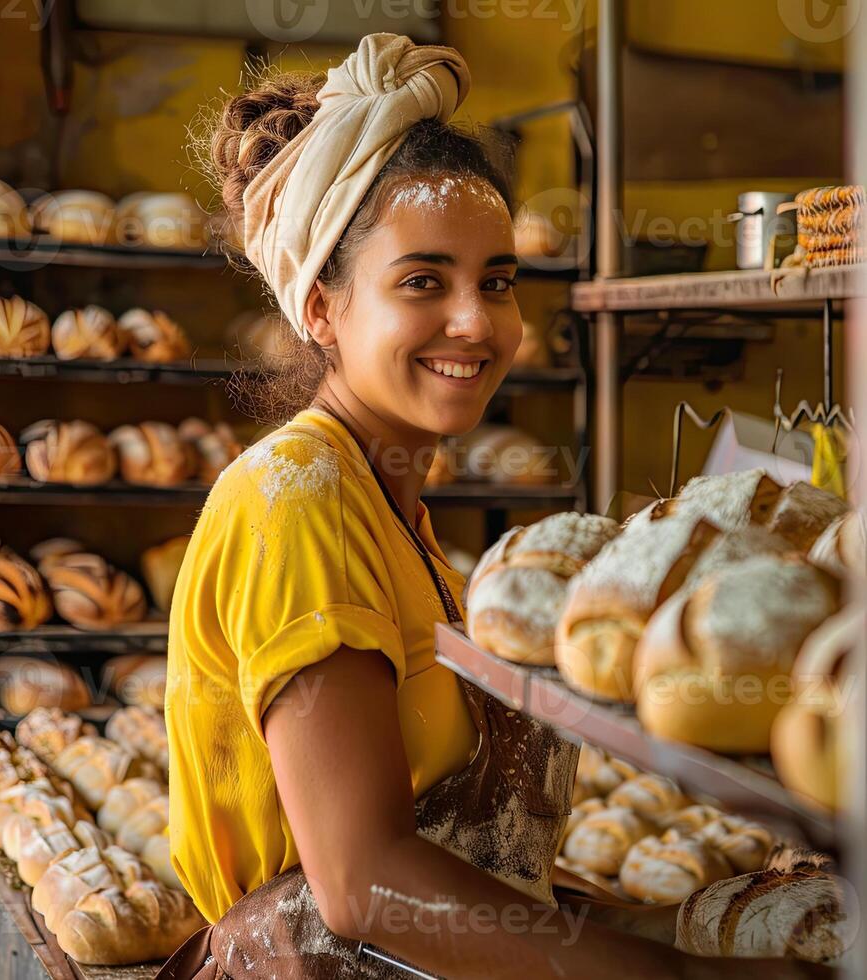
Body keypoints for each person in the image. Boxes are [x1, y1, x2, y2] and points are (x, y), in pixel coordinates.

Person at [162, 33, 830, 980]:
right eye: (423, 282)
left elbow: (467, 859)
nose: (476, 322)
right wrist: (676, 976)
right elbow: (363, 885)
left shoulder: (387, 498)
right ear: (322, 307)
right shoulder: (296, 499)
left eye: (499, 282)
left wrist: (673, 927)